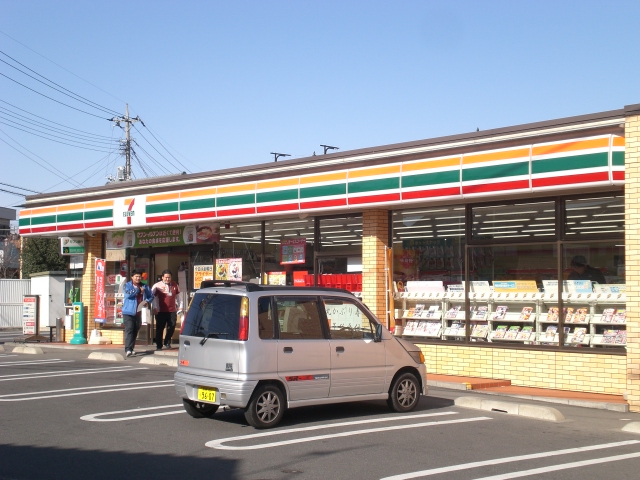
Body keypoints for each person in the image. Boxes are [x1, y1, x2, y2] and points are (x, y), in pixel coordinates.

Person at [122, 270, 154, 357]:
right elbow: (128, 295)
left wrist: (147, 301)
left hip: (139, 312)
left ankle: (131, 348)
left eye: (139, 276)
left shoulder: (144, 286)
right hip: (128, 312)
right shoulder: (127, 285)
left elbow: (151, 296)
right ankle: (128, 349)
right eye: (136, 276)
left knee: (135, 331)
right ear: (132, 277)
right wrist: (137, 290)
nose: (138, 278)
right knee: (129, 329)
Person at [151, 269, 182, 350]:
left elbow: (179, 296)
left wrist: (180, 306)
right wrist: (155, 307)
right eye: (166, 277)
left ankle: (167, 341)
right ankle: (159, 345)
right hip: (160, 311)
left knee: (172, 326)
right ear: (162, 277)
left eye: (169, 277)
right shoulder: (157, 286)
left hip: (172, 310)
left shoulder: (175, 285)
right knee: (160, 328)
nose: (167, 279)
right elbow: (153, 298)